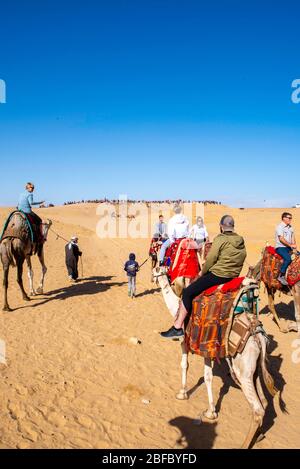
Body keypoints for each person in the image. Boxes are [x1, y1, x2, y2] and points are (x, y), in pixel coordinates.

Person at [160, 215, 246, 339]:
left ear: (221, 227)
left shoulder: (220, 239)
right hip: (233, 275)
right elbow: (243, 256)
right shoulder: (240, 239)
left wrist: (202, 273)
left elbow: (211, 258)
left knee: (188, 292)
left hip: (218, 275)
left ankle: (177, 327)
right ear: (233, 226)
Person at [275, 212, 297, 286]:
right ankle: (281, 275)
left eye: (291, 218)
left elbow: (293, 237)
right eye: (289, 218)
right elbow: (281, 239)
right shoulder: (280, 227)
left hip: (289, 247)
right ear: (284, 218)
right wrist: (290, 245)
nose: (290, 219)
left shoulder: (290, 227)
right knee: (288, 259)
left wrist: (294, 246)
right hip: (281, 247)